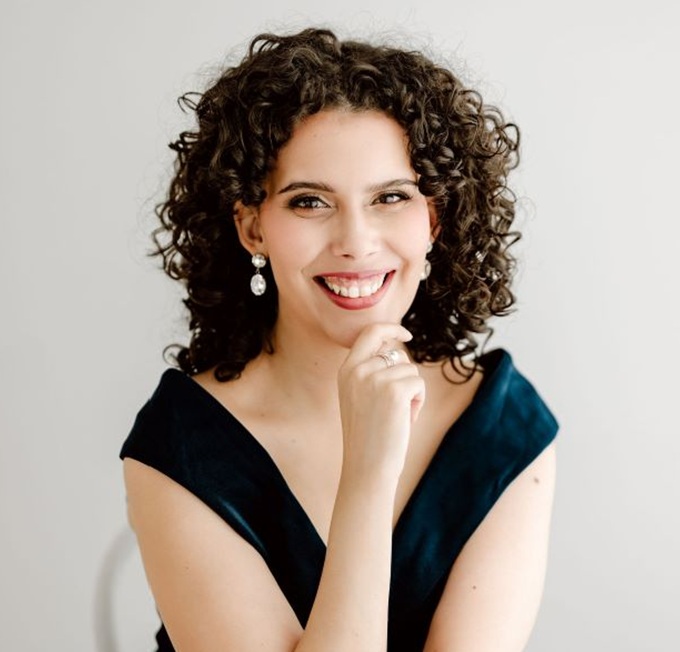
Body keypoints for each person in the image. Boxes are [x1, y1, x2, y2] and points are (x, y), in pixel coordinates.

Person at [120, 27, 559, 652]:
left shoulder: (501, 428)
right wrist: (370, 472)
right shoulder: (180, 446)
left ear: (433, 220)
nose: (356, 242)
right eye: (309, 202)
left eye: (391, 197)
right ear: (252, 227)